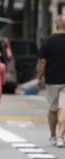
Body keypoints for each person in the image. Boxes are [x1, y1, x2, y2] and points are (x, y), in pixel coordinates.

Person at [37, 15, 65, 147]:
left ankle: (53, 135)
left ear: (56, 25)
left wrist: (39, 77)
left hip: (52, 80)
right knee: (64, 108)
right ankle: (61, 136)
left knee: (53, 109)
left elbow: (43, 62)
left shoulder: (48, 41)